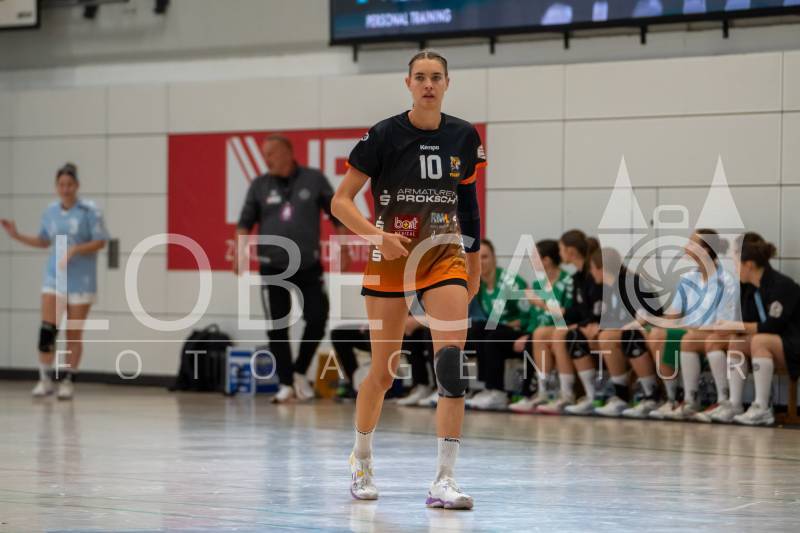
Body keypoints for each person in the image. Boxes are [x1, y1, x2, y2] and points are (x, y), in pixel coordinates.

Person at [332, 49, 485, 509]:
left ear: (447, 83)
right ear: (408, 84)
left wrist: (473, 262)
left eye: (436, 77)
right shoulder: (383, 135)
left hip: (443, 256)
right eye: (420, 77)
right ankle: (361, 457)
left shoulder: (463, 135)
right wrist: (376, 234)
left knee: (451, 366)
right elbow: (341, 201)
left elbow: (468, 204)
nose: (428, 84)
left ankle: (444, 479)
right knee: (383, 373)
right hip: (391, 258)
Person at [235, 135, 344, 403]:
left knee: (317, 318)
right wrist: (240, 253)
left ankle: (298, 371)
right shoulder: (260, 185)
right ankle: (285, 383)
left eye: (271, 153)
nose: (266, 159)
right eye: (264, 154)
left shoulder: (313, 179)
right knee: (277, 326)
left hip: (308, 265)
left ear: (287, 152)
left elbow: (337, 213)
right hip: (273, 266)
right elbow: (245, 222)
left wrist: (343, 247)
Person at [1, 163, 108, 400]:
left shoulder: (89, 211)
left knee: (73, 333)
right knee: (47, 330)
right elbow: (43, 240)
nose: (65, 189)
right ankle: (45, 379)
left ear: (77, 185)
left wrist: (75, 249)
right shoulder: (50, 212)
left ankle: (68, 380)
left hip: (82, 280)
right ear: (56, 186)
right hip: (55, 277)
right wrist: (17, 235)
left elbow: (100, 241)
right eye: (61, 184)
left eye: (69, 184)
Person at [717, 237, 800, 425]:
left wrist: (736, 326)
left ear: (749, 265)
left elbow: (772, 326)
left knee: (759, 340)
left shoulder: (782, 285)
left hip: (794, 344)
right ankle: (734, 404)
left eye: (736, 263)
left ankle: (762, 408)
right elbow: (745, 322)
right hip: (775, 345)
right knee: (737, 341)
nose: (735, 268)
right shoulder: (749, 288)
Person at [663, 229, 739, 421]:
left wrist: (688, 329)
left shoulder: (726, 281)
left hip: (714, 334)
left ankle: (713, 400)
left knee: (688, 339)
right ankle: (671, 399)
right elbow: (672, 315)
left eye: (692, 243)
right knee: (657, 335)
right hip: (690, 332)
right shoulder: (688, 278)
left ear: (706, 250)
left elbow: (722, 325)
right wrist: (650, 322)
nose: (685, 247)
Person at [589, 248, 663, 418]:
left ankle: (652, 395)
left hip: (651, 328)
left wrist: (621, 328)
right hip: (629, 330)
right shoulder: (606, 288)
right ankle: (621, 396)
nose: (591, 273)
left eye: (592, 268)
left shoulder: (631, 283)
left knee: (626, 336)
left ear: (601, 268)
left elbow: (647, 316)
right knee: (605, 337)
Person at [537, 231, 603, 415]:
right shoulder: (576, 278)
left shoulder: (593, 275)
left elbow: (597, 309)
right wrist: (573, 321)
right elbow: (576, 311)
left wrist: (543, 305)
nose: (559, 253)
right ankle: (547, 393)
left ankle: (579, 394)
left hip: (597, 325)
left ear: (571, 251)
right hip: (585, 323)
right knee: (541, 333)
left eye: (561, 249)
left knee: (561, 334)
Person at [508, 239, 574, 413]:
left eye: (535, 258)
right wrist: (527, 333)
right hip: (541, 332)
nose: (531, 262)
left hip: (562, 329)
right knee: (534, 335)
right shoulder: (538, 284)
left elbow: (566, 315)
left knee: (539, 336)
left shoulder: (567, 281)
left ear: (547, 260)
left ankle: (553, 393)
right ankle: (542, 393)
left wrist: (540, 303)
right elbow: (533, 318)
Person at [466, 238, 529, 411]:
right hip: (496, 331)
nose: (481, 262)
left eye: (485, 257)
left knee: (490, 333)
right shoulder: (479, 286)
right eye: (477, 257)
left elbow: (528, 315)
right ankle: (487, 387)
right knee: (477, 330)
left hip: (518, 332)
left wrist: (510, 324)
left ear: (494, 258)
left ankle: (498, 392)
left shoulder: (510, 282)